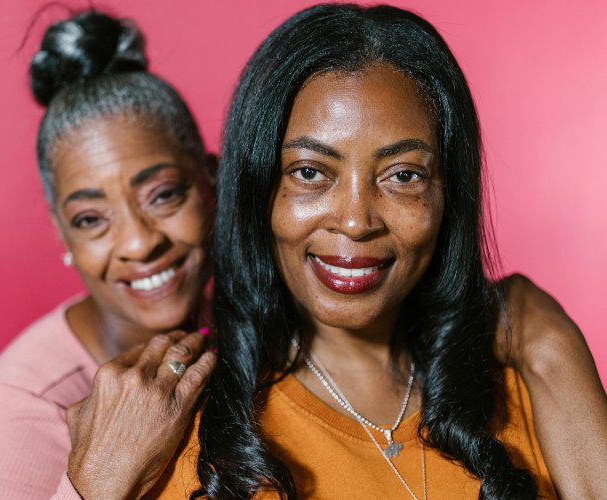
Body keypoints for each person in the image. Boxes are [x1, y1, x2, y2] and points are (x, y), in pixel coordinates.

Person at [154, 4, 607, 499]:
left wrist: (555, 346)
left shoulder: (528, 387)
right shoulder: (188, 435)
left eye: (404, 175)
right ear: (257, 190)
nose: (355, 220)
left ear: (448, 194)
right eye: (309, 172)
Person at [0, 11, 217, 500]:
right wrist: (101, 477)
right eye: (91, 220)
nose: (139, 243)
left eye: (162, 195)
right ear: (63, 236)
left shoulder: (255, 324)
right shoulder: (26, 402)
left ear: (210, 182)